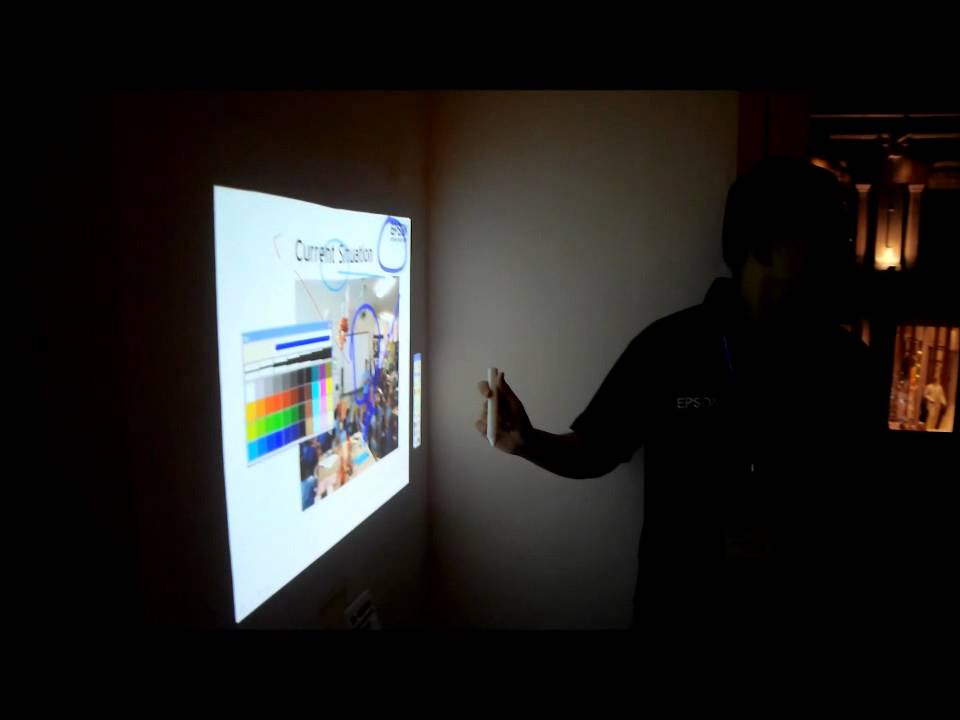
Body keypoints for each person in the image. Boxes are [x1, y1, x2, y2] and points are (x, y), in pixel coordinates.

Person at [475, 156, 889, 634]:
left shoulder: (850, 365)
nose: (842, 253)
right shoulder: (670, 346)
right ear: (762, 246)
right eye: (826, 236)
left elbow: (867, 507)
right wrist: (527, 442)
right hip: (677, 609)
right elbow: (596, 450)